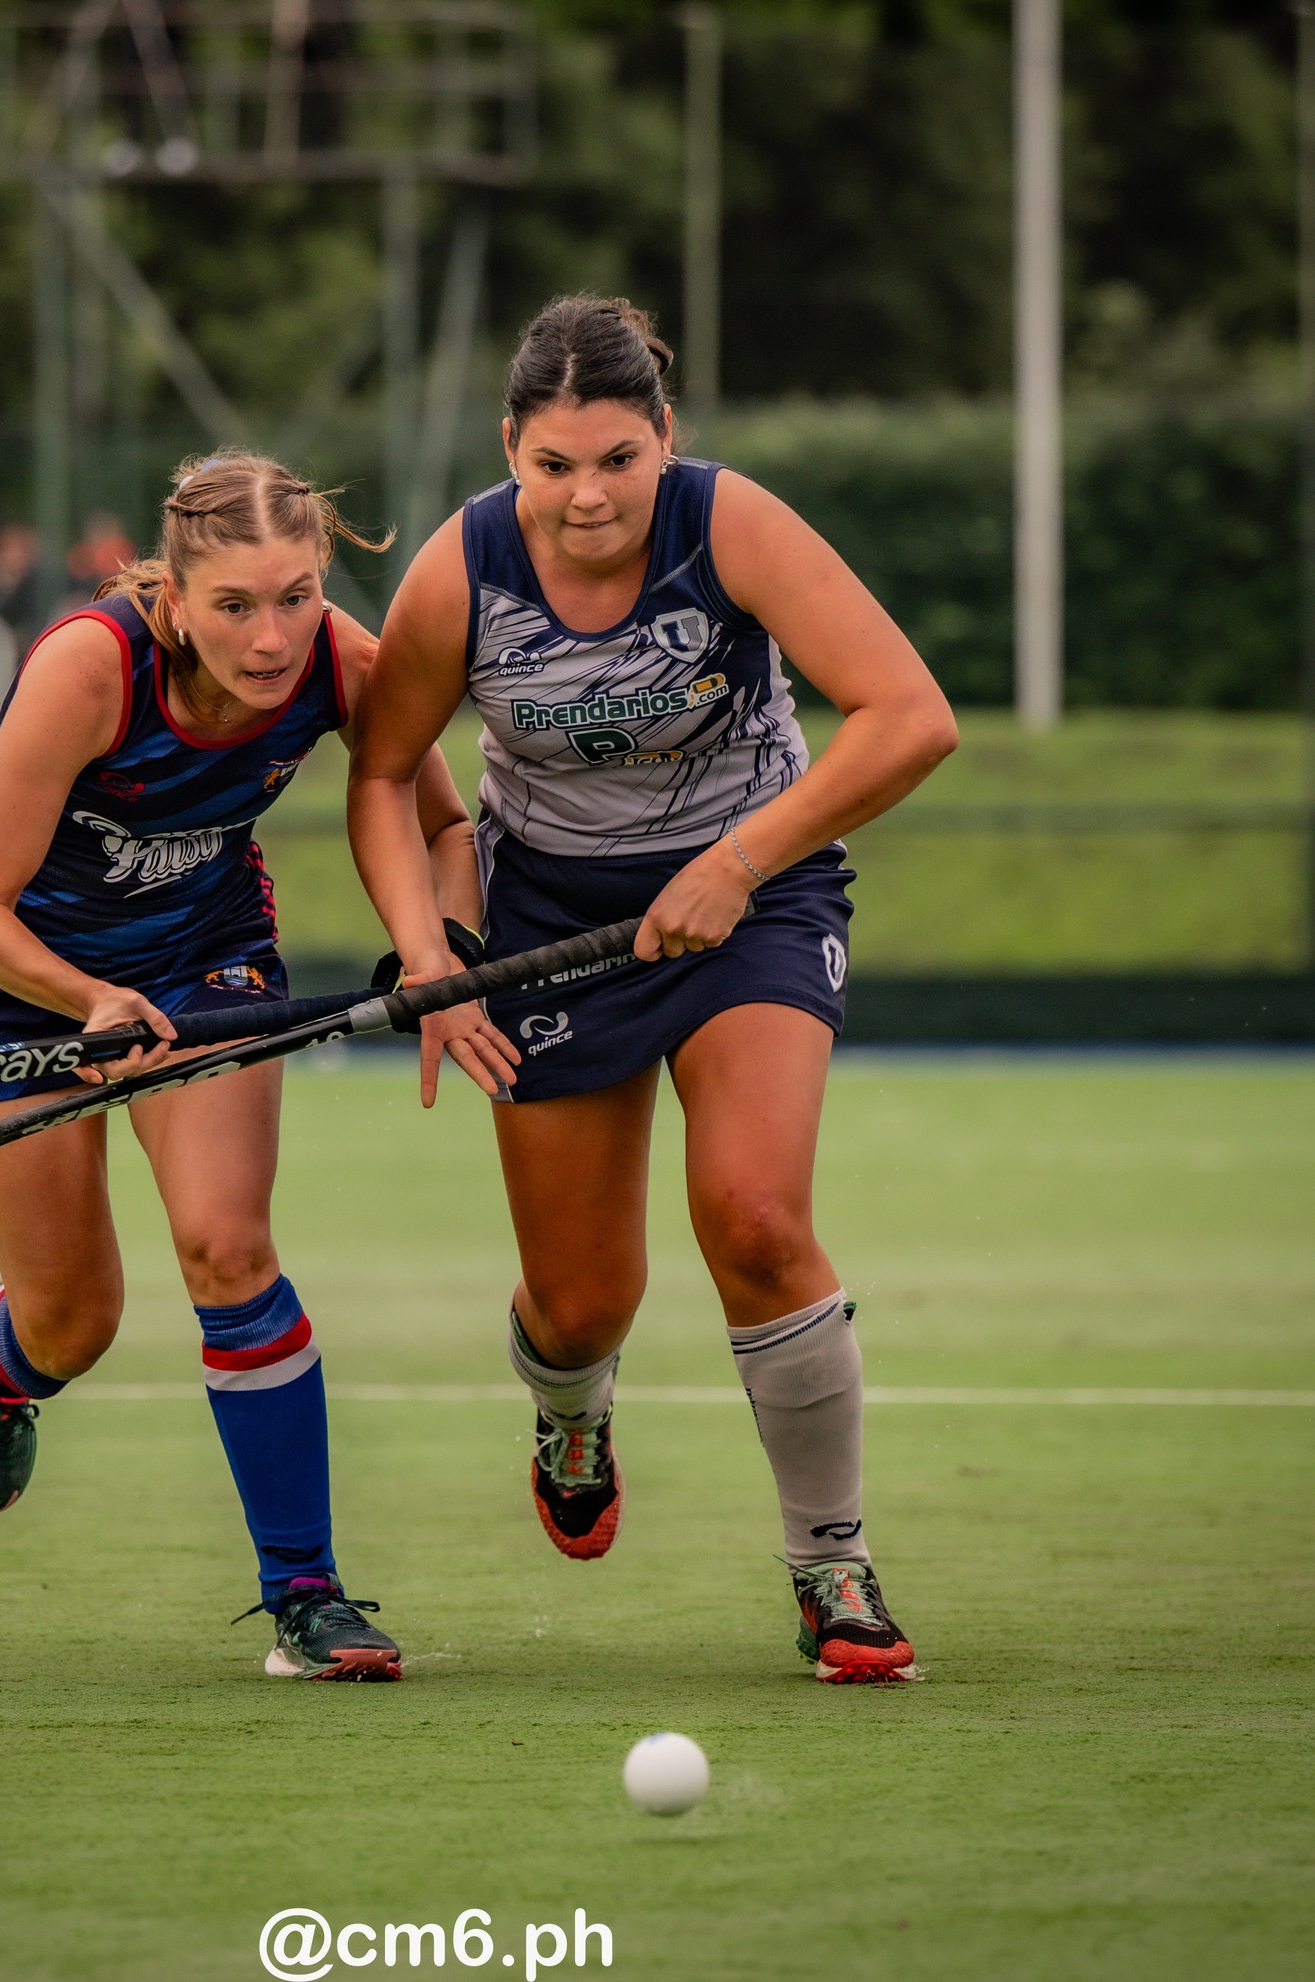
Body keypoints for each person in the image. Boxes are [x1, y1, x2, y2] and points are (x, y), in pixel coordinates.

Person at [346, 297, 959, 1683]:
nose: (587, 496)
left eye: (618, 458)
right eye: (555, 463)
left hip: (754, 892)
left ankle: (832, 1564)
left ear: (664, 440)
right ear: (512, 450)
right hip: (548, 916)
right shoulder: (461, 570)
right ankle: (573, 1408)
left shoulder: (727, 524)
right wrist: (432, 959)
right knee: (580, 1303)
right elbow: (385, 775)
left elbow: (911, 714)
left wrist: (742, 859)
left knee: (751, 1215)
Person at [0, 451, 507, 1682]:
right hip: (9, 977)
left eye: (294, 595)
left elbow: (444, 823)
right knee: (73, 1321)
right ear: (174, 600)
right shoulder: (89, 666)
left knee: (227, 1249)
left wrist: (439, 950)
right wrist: (87, 1000)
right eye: (234, 605)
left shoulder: (341, 660)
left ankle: (305, 1594)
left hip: (206, 953)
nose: (271, 633)